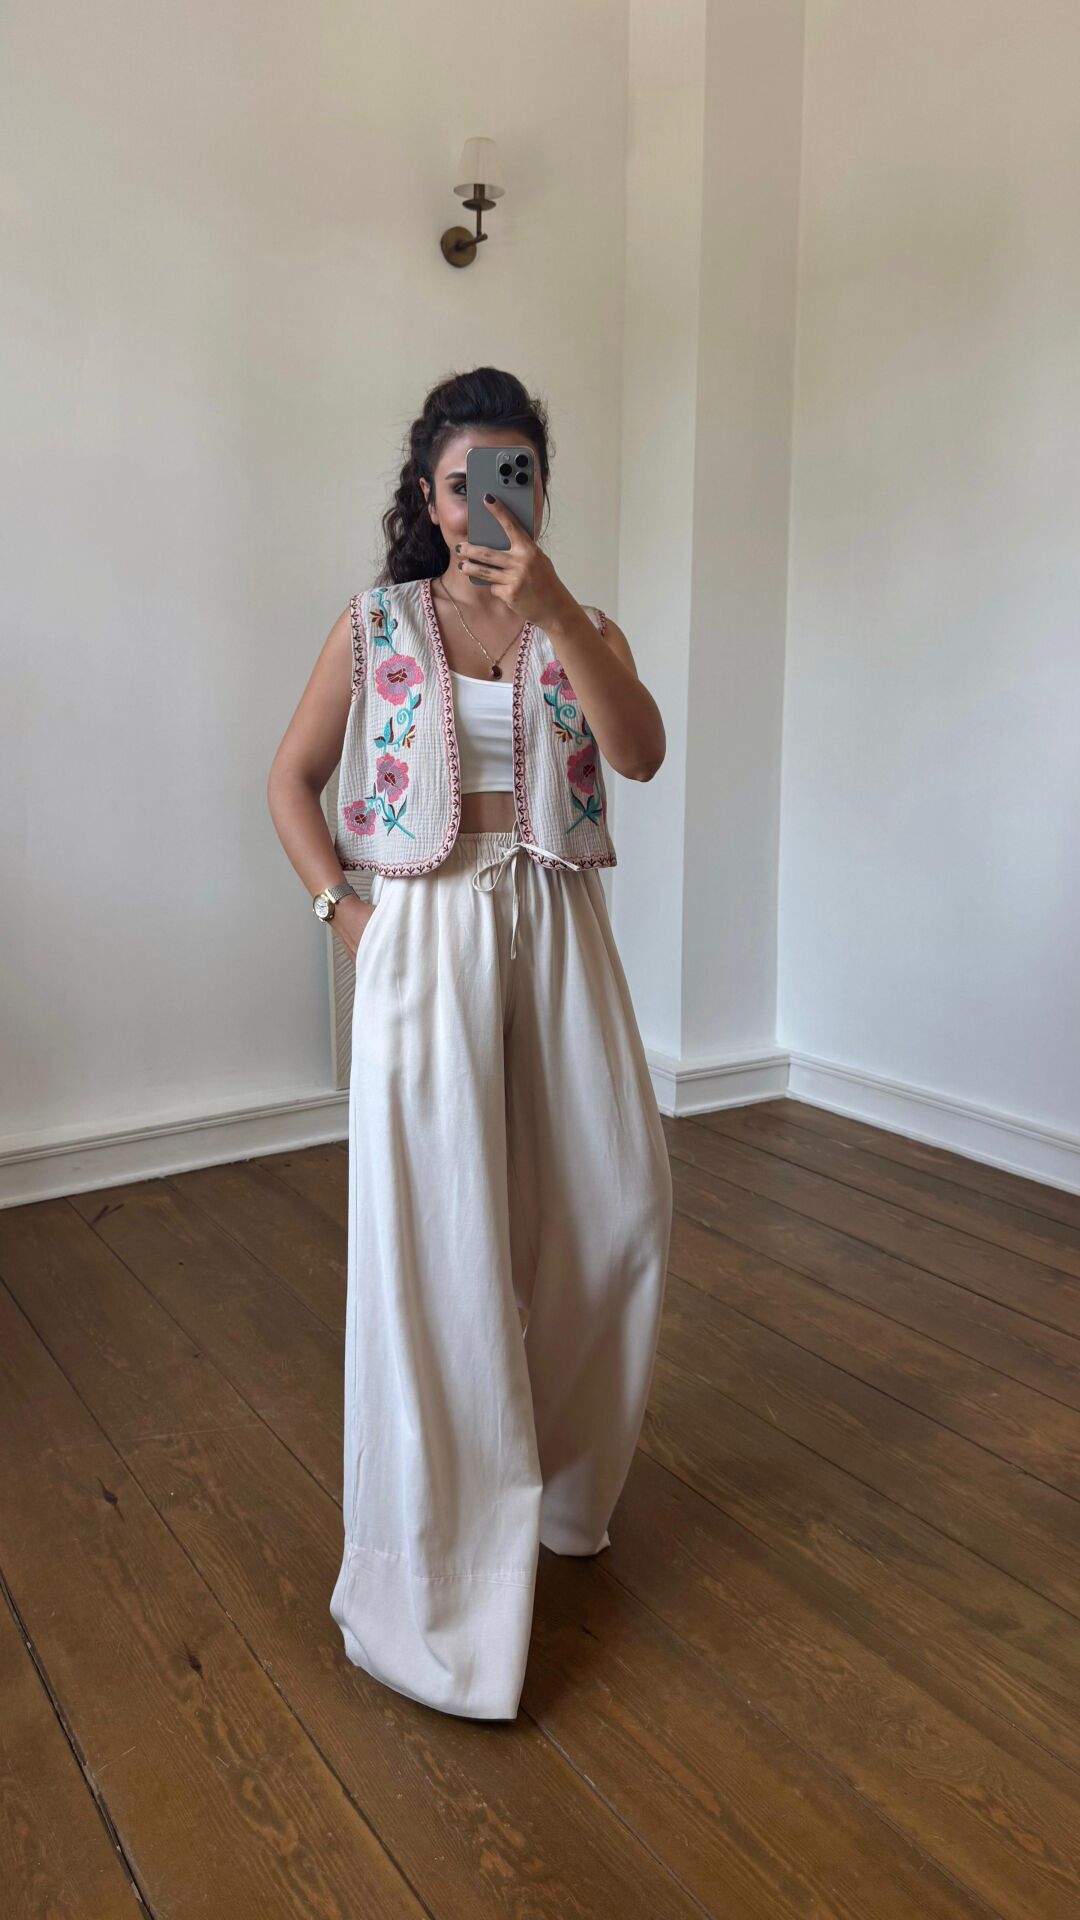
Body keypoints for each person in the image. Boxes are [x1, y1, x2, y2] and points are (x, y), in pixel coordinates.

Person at [267, 366, 673, 1720]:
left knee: (619, 1209)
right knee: (439, 1249)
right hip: (424, 933)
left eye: (515, 475)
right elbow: (290, 780)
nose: (488, 502)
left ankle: (557, 1492)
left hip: (561, 926)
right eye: (463, 482)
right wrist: (346, 917)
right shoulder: (377, 623)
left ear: (541, 488)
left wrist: (554, 610)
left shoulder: (584, 625)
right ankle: (441, 1576)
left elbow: (641, 753)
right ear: (429, 497)